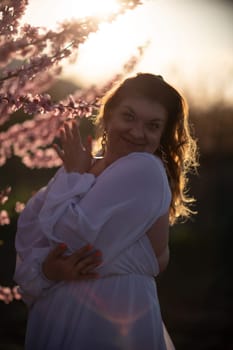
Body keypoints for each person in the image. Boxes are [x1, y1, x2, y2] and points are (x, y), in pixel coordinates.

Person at [14, 73, 198, 350]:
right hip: (55, 316)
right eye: (129, 116)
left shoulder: (143, 169)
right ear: (108, 115)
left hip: (110, 321)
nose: (137, 132)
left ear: (161, 135)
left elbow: (68, 238)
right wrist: (49, 271)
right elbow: (29, 241)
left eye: (152, 125)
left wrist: (73, 177)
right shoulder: (83, 168)